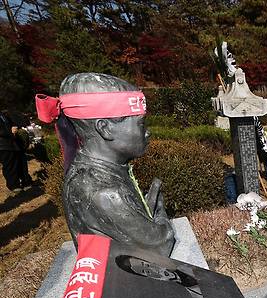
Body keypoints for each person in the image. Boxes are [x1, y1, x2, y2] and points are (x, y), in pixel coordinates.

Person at [36, 72, 176, 256]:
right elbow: (160, 246)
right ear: (105, 128)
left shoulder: (98, 171)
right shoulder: (104, 192)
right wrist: (160, 214)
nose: (147, 132)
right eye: (141, 124)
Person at [115, 254, 203, 298]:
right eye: (146, 271)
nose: (154, 270)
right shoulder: (179, 296)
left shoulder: (185, 266)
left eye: (146, 264)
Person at [0, 110, 24, 191]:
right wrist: (10, 132)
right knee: (8, 165)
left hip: (9, 143)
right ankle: (13, 185)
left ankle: (17, 183)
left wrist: (14, 128)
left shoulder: (3, 115)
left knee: (14, 163)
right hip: (2, 145)